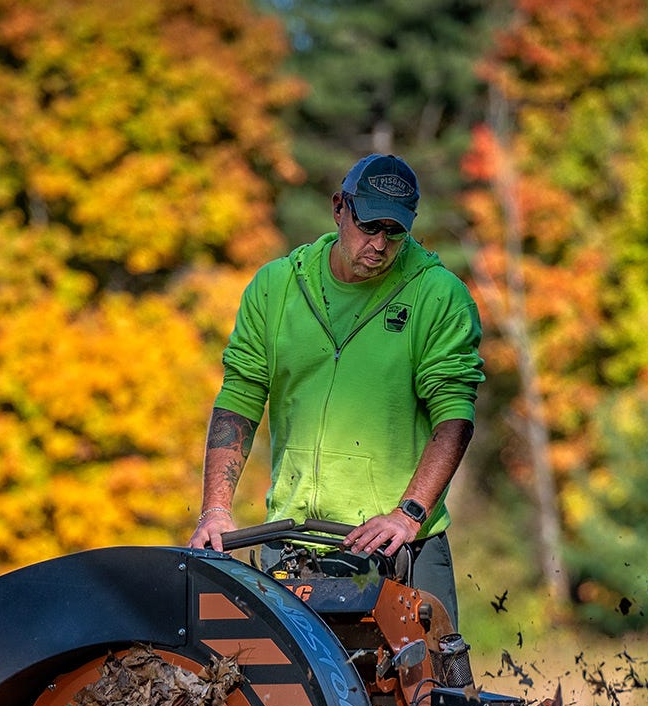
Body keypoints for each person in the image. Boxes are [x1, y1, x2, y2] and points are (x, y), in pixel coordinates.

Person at [187, 154, 483, 626]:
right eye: (369, 226)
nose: (380, 244)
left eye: (395, 231)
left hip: (398, 545)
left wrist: (408, 515)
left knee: (435, 674)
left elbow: (455, 417)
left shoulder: (439, 296)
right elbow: (239, 399)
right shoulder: (277, 287)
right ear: (339, 208)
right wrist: (215, 510)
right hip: (291, 542)